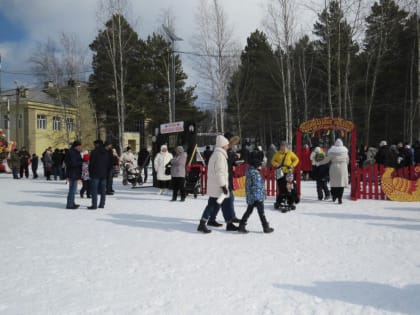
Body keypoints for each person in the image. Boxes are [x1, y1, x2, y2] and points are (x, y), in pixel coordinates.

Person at [197, 135, 231, 233]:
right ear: (223, 145)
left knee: (216, 204)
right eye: (227, 144)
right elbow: (219, 172)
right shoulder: (219, 156)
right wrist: (223, 186)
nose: (228, 146)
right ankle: (202, 223)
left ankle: (211, 220)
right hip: (218, 185)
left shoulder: (218, 154)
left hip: (216, 185)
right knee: (212, 204)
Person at [207, 132, 241, 231]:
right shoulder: (222, 151)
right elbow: (223, 164)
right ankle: (229, 220)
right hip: (222, 180)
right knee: (226, 200)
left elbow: (227, 163)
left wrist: (235, 162)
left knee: (218, 201)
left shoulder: (223, 149)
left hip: (224, 179)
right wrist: (235, 157)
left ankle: (210, 219)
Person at [238, 158, 274, 234]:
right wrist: (258, 197)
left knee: (249, 211)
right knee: (261, 213)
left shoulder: (250, 172)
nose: (261, 167)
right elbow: (256, 186)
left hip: (252, 196)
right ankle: (265, 227)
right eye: (260, 166)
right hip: (257, 197)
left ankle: (241, 225)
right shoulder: (255, 173)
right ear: (256, 166)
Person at [317, 138, 349, 204]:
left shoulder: (332, 152)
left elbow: (326, 160)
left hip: (334, 168)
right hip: (343, 168)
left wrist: (319, 162)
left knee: (334, 184)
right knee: (341, 184)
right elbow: (347, 160)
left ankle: (334, 196)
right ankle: (340, 198)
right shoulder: (345, 152)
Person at [271, 141, 300, 209]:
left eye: (284, 146)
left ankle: (291, 201)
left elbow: (296, 159)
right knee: (281, 186)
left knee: (289, 187)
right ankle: (281, 200)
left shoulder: (290, 153)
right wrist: (276, 164)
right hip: (279, 172)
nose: (283, 147)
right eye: (282, 146)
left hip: (288, 171)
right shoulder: (277, 153)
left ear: (287, 147)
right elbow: (272, 161)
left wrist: (292, 165)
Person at [88, 140, 112, 210]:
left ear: (97, 144)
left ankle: (94, 205)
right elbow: (109, 163)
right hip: (104, 173)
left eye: (94, 144)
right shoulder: (107, 152)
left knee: (94, 190)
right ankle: (102, 204)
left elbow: (91, 163)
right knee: (103, 190)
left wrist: (90, 172)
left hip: (95, 173)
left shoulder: (94, 152)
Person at [64, 141, 83, 209]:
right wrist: (81, 162)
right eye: (80, 146)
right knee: (72, 189)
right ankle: (70, 205)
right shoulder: (72, 152)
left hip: (74, 172)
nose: (81, 147)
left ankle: (72, 203)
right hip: (73, 173)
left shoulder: (74, 152)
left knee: (73, 189)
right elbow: (73, 163)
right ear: (76, 146)